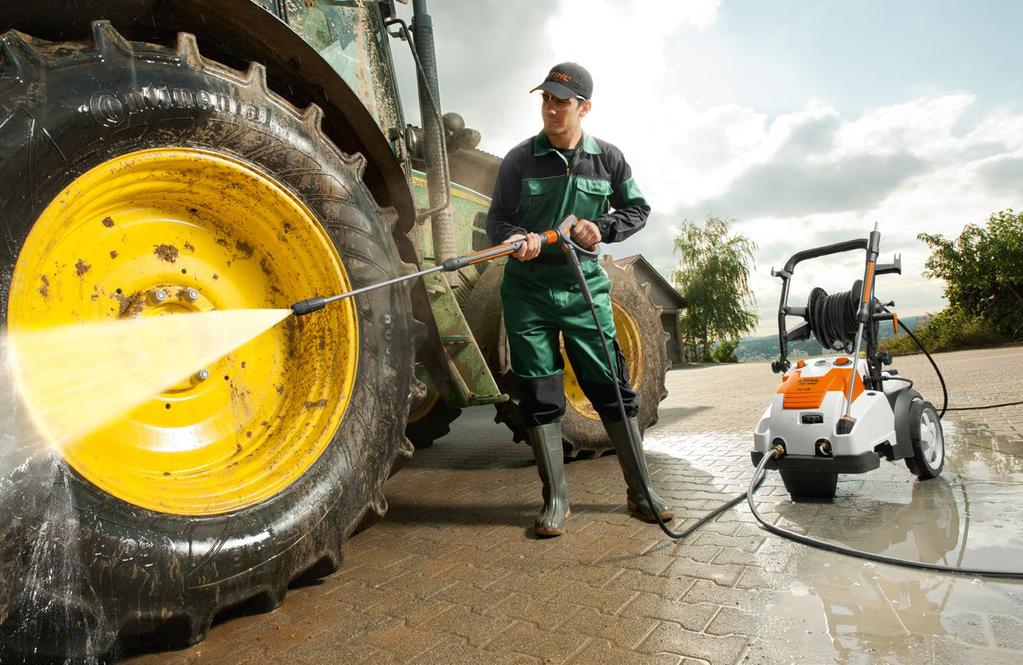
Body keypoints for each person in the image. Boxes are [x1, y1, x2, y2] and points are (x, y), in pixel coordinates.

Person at [486, 62, 674, 537]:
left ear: (583, 108)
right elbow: (497, 221)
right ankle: (556, 499)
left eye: (561, 101)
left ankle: (641, 492)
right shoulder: (519, 159)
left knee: (610, 383)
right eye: (545, 99)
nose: (551, 108)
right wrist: (517, 239)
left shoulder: (607, 159)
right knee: (540, 392)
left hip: (583, 285)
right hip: (528, 290)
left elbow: (637, 209)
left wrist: (603, 228)